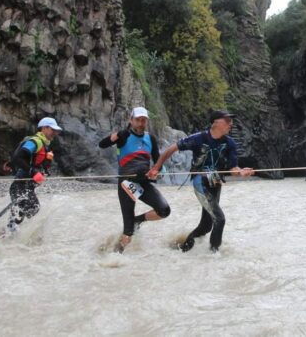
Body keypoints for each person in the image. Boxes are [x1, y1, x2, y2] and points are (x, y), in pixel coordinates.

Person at [148, 110, 254, 253]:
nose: (231, 124)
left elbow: (233, 168)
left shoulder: (230, 143)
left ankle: (182, 249)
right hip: (200, 182)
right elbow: (172, 148)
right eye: (227, 120)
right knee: (220, 219)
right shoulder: (199, 138)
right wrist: (156, 167)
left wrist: (241, 172)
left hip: (216, 182)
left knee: (206, 226)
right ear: (215, 123)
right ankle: (214, 255)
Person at [99, 106, 171, 253]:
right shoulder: (123, 136)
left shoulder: (150, 138)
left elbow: (158, 162)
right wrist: (118, 135)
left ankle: (138, 220)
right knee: (128, 232)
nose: (140, 123)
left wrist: (159, 172)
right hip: (127, 183)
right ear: (131, 120)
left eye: (143, 120)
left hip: (143, 182)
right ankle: (112, 259)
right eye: (138, 120)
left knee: (164, 210)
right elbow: (102, 144)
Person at [0, 117, 61, 237]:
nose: (55, 133)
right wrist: (33, 172)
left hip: (27, 186)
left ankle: (6, 234)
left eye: (56, 130)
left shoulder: (45, 145)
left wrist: (43, 172)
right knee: (33, 207)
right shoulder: (35, 142)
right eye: (53, 129)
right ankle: (7, 233)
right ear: (44, 128)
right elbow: (18, 157)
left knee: (25, 212)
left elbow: (29, 159)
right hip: (19, 185)